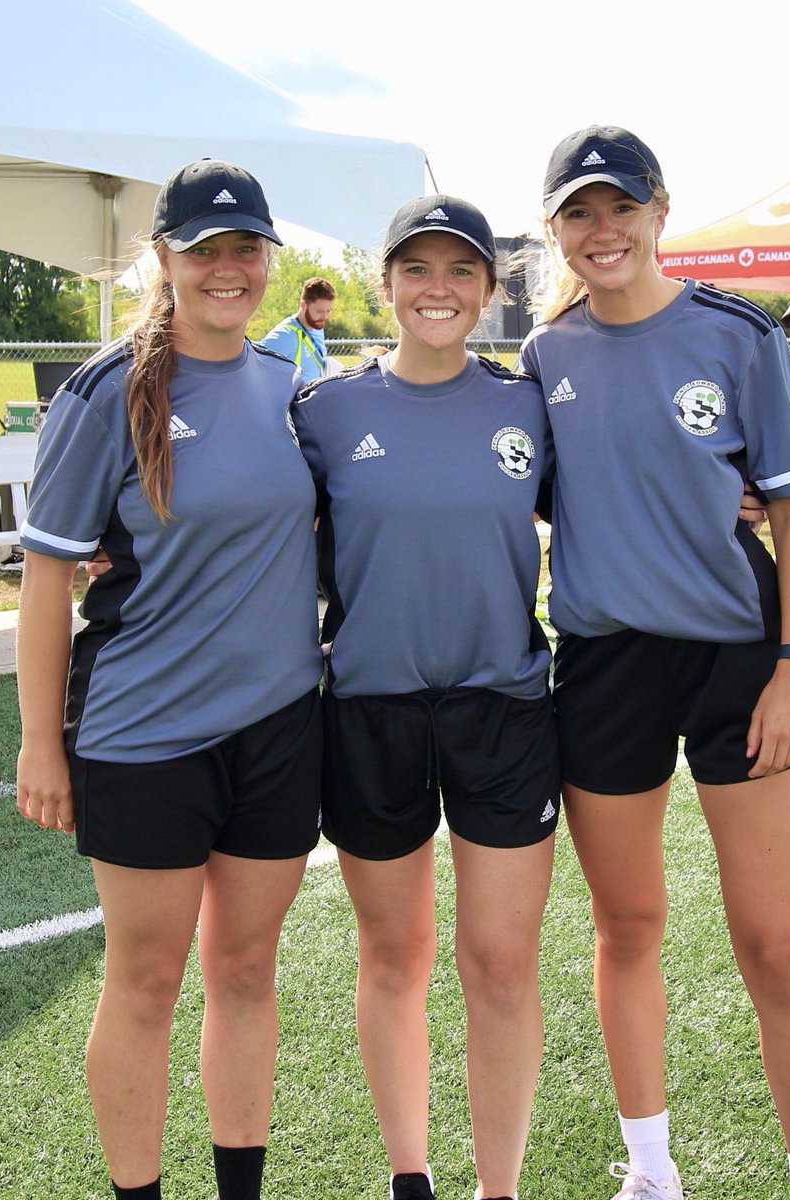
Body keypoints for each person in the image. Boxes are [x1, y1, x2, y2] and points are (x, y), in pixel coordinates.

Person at [519, 126, 790, 1200]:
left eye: (621, 207)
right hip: (606, 667)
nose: (602, 231)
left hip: (740, 663)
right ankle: (651, 1173)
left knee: (773, 945)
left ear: (661, 212)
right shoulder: (544, 355)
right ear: (557, 230)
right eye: (579, 212)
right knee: (628, 926)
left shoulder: (737, 334)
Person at [14, 158, 323, 1200]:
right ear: (164, 258)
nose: (229, 269)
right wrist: (40, 744)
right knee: (146, 982)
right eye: (205, 249)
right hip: (143, 738)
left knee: (244, 972)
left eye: (248, 248)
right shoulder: (105, 395)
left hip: (281, 731)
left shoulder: (296, 387)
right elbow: (48, 580)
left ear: (269, 260)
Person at [291, 195, 559, 1200]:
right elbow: (246, 515)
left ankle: (501, 1190)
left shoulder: (527, 407)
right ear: (387, 284)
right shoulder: (326, 414)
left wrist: (734, 487)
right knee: (395, 957)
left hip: (505, 711)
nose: (437, 290)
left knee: (497, 966)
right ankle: (413, 1177)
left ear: (490, 290)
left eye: (460, 272)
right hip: (370, 714)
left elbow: (619, 481)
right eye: (418, 270)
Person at [259, 275, 336, 381]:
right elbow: (257, 371)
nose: (325, 317)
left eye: (328, 311)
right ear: (303, 305)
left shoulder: (317, 327)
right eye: (319, 311)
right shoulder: (284, 335)